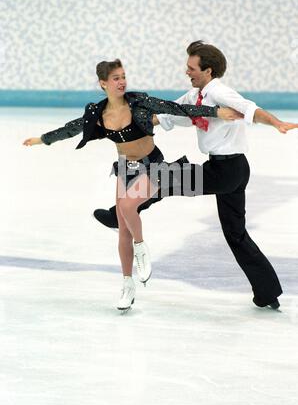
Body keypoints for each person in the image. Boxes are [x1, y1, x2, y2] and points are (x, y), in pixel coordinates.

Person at [23, 58, 240, 312]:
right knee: (123, 228)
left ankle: (141, 248)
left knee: (126, 208)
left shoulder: (139, 101)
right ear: (103, 83)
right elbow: (71, 129)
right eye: (116, 78)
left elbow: (177, 109)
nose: (122, 82)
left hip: (153, 166)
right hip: (127, 168)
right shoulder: (98, 114)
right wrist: (42, 139)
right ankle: (128, 284)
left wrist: (215, 112)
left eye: (123, 76)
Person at [93, 43, 298, 311]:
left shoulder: (221, 93)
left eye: (191, 68)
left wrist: (276, 123)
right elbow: (168, 113)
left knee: (163, 177)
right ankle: (267, 292)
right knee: (235, 235)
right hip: (231, 170)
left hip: (226, 171)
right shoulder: (195, 96)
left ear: (207, 70)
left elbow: (250, 109)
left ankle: (117, 214)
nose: (186, 71)